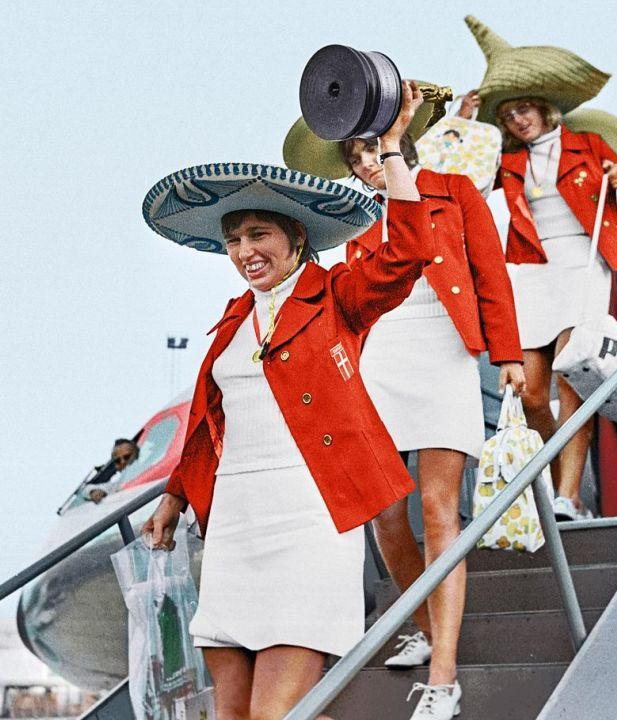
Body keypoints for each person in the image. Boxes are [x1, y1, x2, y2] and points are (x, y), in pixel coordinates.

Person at [142, 83, 433, 720]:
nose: (246, 252)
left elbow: (410, 251)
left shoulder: (339, 297)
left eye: (258, 233)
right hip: (233, 520)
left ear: (297, 237)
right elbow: (207, 423)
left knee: (279, 713)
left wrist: (391, 150)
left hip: (309, 515)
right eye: (234, 240)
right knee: (234, 715)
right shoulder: (230, 321)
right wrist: (174, 496)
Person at [332, 127, 523, 716]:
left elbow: (491, 271)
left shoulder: (454, 190)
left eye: (374, 151)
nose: (365, 164)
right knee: (385, 515)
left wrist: (509, 353)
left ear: (401, 146)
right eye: (355, 156)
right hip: (383, 354)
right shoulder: (353, 216)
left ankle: (444, 674)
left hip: (444, 347)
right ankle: (428, 625)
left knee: (440, 510)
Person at [457, 29, 617, 520]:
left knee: (572, 377)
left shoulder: (587, 144)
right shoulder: (509, 161)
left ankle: (569, 496)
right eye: (507, 116)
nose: (517, 120)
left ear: (544, 107)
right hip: (530, 269)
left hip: (584, 264)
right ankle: (560, 474)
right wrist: (461, 121)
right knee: (529, 392)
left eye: (522, 109)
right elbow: (461, 176)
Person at [83, 438, 139, 504]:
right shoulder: (120, 483)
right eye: (117, 461)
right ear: (116, 466)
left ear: (136, 454)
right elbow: (86, 490)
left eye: (127, 456)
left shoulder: (150, 468)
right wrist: (93, 491)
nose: (122, 461)